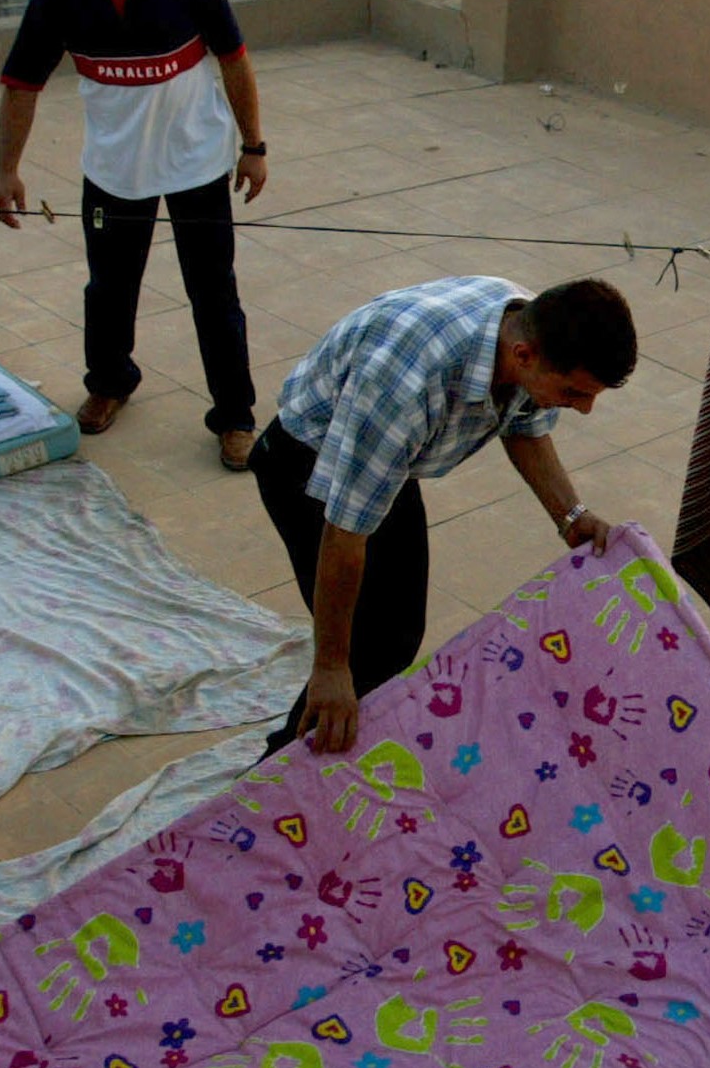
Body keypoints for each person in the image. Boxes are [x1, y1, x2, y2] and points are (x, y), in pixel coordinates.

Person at [253, 275, 637, 756]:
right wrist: (329, 667)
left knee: (396, 637)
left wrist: (571, 516)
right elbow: (345, 534)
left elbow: (524, 426)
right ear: (523, 356)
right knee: (363, 647)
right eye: (574, 393)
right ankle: (274, 775)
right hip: (306, 460)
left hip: (387, 461)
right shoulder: (404, 383)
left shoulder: (529, 325)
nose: (584, 409)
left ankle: (316, 753)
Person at [0, 0, 269, 470]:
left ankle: (235, 417)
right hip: (114, 170)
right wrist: (6, 170)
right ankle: (110, 382)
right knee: (109, 289)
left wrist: (254, 146)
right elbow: (21, 84)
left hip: (196, 162)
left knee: (214, 293)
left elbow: (234, 59)